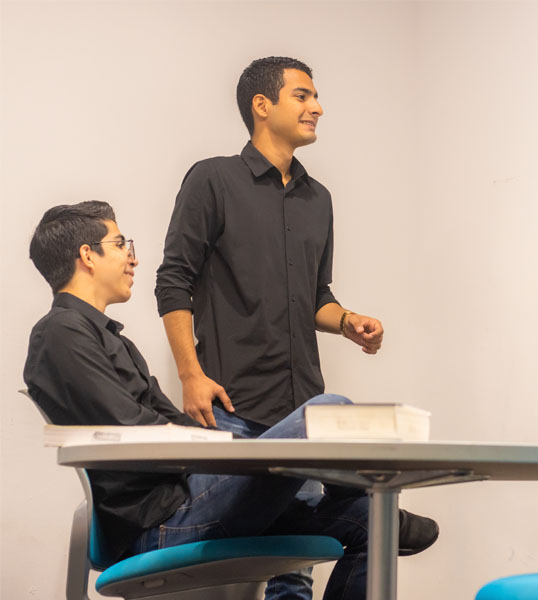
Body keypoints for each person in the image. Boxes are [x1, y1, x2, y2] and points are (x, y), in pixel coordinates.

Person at [24, 201, 438, 600]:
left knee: (371, 522)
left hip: (187, 498)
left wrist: (247, 455)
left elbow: (173, 421)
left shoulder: (116, 341)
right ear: (87, 255)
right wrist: (247, 460)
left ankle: (361, 501)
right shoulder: (59, 334)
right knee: (325, 411)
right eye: (120, 245)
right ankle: (357, 491)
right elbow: (130, 430)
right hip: (161, 521)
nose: (132, 258)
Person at [154, 56, 424, 598]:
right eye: (302, 95)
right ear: (262, 105)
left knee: (298, 565)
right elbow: (172, 282)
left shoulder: (318, 198)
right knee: (248, 565)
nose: (316, 107)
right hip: (232, 409)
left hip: (301, 413)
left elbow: (316, 298)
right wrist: (189, 374)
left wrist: (348, 322)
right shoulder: (212, 179)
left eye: (315, 96)